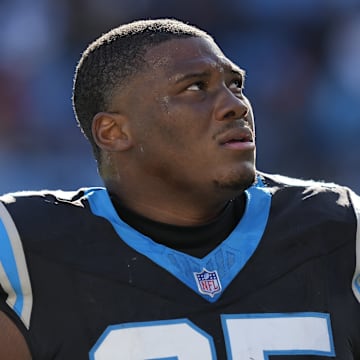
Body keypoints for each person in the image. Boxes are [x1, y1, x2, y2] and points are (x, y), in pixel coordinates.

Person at [0, 18, 359, 360]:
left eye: (235, 85)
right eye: (195, 87)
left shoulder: (338, 228)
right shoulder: (24, 248)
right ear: (114, 132)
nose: (236, 106)